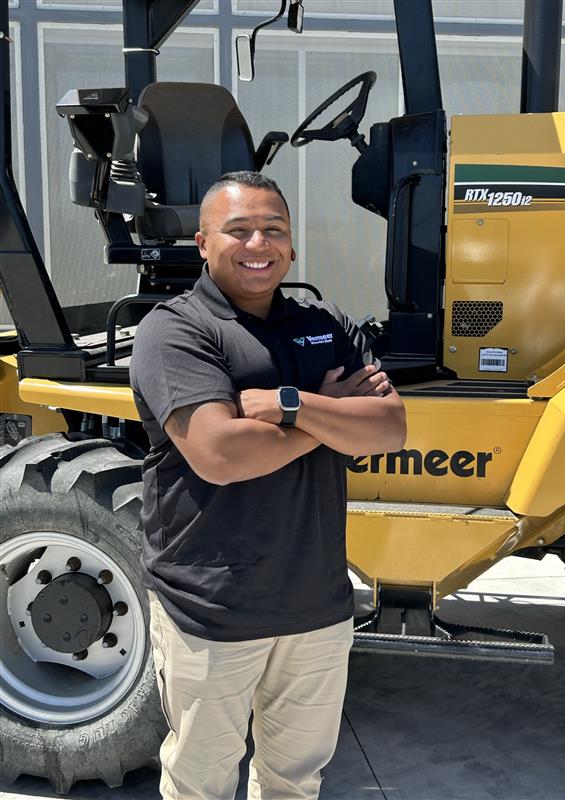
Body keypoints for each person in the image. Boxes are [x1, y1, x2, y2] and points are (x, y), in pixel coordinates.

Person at [130, 171, 407, 800]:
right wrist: (331, 413)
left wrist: (287, 404)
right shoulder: (176, 331)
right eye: (239, 229)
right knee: (201, 782)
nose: (259, 242)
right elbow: (221, 455)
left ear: (291, 246)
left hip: (316, 606)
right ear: (202, 243)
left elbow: (388, 428)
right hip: (212, 606)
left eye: (274, 229)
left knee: (294, 781)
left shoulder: (324, 321)